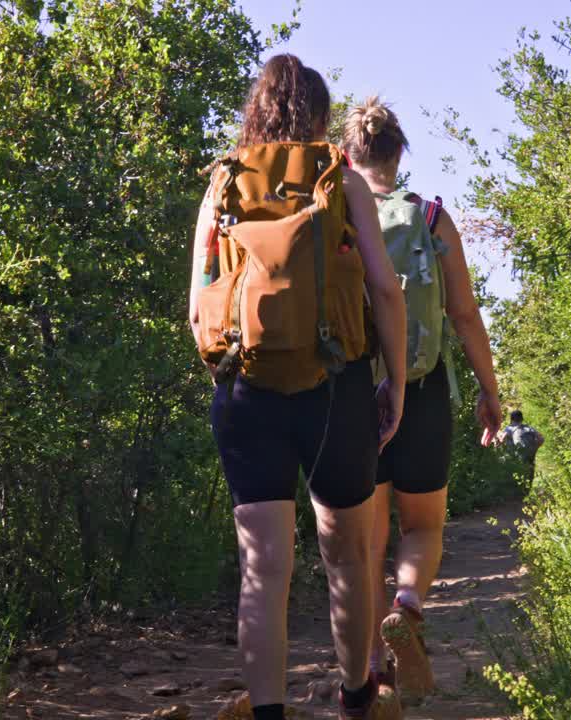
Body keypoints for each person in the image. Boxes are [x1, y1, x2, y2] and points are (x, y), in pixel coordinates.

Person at [188, 56, 408, 720]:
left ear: (256, 109)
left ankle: (267, 712)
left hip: (247, 392)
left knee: (264, 570)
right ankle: (355, 700)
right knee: (346, 557)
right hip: (337, 388)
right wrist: (394, 380)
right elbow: (386, 292)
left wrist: (232, 375)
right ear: (318, 113)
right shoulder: (343, 181)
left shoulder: (223, 182)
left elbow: (198, 309)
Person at [340, 97, 504, 704]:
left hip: (355, 389)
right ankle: (406, 608)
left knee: (367, 538)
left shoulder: (335, 217)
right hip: (425, 388)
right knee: (423, 526)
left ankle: (375, 673)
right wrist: (490, 390)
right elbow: (463, 313)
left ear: (349, 155)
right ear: (399, 152)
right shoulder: (432, 218)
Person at [499, 410, 544, 480]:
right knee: (528, 479)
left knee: (515, 480)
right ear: (522, 419)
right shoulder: (528, 428)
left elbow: (502, 439)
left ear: (511, 419)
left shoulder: (509, 428)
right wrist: (535, 448)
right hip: (530, 459)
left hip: (515, 460)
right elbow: (541, 439)